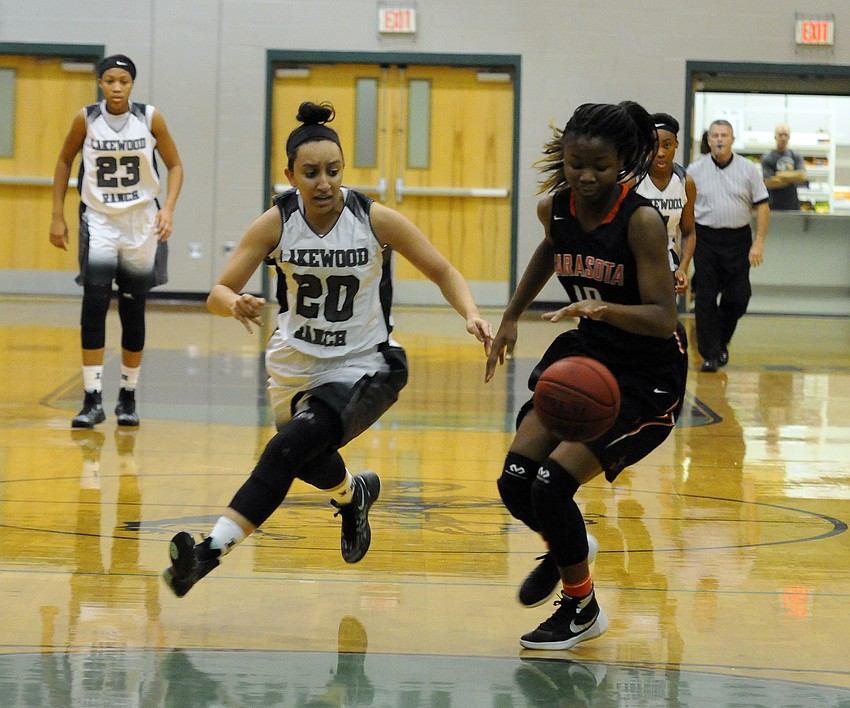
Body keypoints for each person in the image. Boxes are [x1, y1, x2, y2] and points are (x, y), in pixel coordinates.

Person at [162, 101, 493, 597]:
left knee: (285, 449)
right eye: (311, 172)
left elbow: (443, 270)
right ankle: (352, 495)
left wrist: (469, 311)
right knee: (309, 461)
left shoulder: (374, 218)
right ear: (290, 173)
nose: (324, 183)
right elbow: (216, 292)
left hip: (366, 365)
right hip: (293, 367)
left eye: (333, 171)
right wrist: (234, 303)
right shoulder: (275, 222)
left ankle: (207, 554)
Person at [485, 101, 688, 651]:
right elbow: (550, 254)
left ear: (623, 161)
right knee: (515, 479)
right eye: (577, 163)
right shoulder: (556, 208)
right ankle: (571, 548)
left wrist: (603, 310)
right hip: (589, 354)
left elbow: (664, 318)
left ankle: (582, 607)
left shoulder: (641, 220)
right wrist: (510, 317)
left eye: (599, 165)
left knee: (552, 486)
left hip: (646, 373)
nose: (587, 175)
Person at [50, 54, 183, 428]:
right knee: (93, 304)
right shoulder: (87, 118)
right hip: (99, 221)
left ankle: (128, 395)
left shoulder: (150, 117)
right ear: (100, 83)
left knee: (132, 309)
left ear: (132, 84)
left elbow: (175, 165)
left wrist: (168, 208)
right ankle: (92, 399)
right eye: (110, 80)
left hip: (141, 223)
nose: (116, 87)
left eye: (123, 81)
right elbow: (63, 161)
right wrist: (57, 214)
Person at [687, 119, 769, 372]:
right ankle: (710, 354)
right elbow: (686, 208)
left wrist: (759, 242)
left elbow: (763, 206)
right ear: (708, 140)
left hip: (738, 239)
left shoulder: (748, 169)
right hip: (706, 239)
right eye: (715, 135)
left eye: (724, 135)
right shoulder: (695, 170)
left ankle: (721, 339)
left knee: (738, 298)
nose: (719, 140)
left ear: (732, 139)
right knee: (706, 297)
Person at [634, 112, 697, 296]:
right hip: (633, 262)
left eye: (667, 145)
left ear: (676, 144)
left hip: (666, 263)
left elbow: (689, 231)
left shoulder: (686, 183)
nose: (660, 152)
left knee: (664, 322)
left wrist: (683, 268)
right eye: (654, 146)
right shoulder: (633, 180)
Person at [761, 123, 808, 211]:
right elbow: (769, 182)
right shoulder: (767, 157)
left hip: (793, 205)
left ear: (789, 137)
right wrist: (793, 177)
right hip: (773, 206)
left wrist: (780, 175)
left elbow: (802, 176)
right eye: (780, 135)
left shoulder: (796, 156)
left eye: (785, 135)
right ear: (775, 137)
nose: (783, 138)